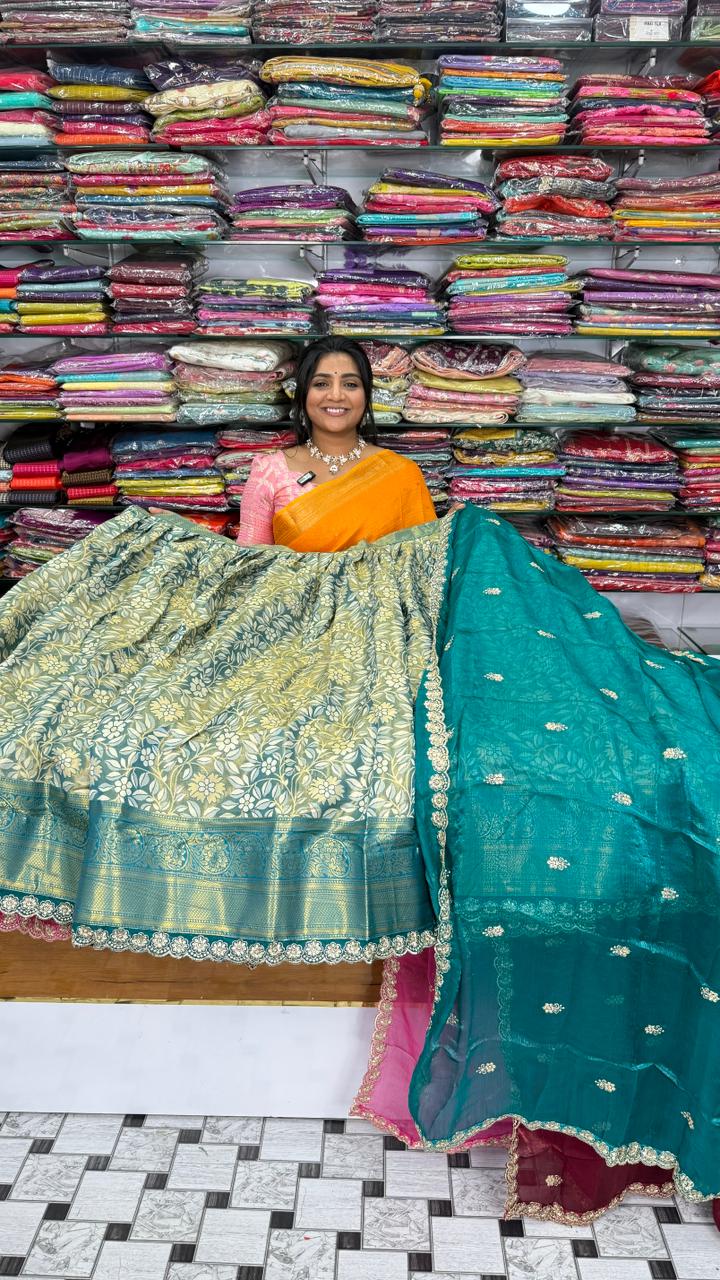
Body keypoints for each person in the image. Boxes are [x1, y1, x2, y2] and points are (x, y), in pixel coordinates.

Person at [0, 338, 719, 1227]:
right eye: (322, 383)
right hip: (292, 626)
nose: (335, 395)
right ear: (301, 395)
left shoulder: (395, 475)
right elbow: (250, 568)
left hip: (378, 634)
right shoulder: (271, 469)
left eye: (350, 383)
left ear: (366, 397)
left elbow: (421, 575)